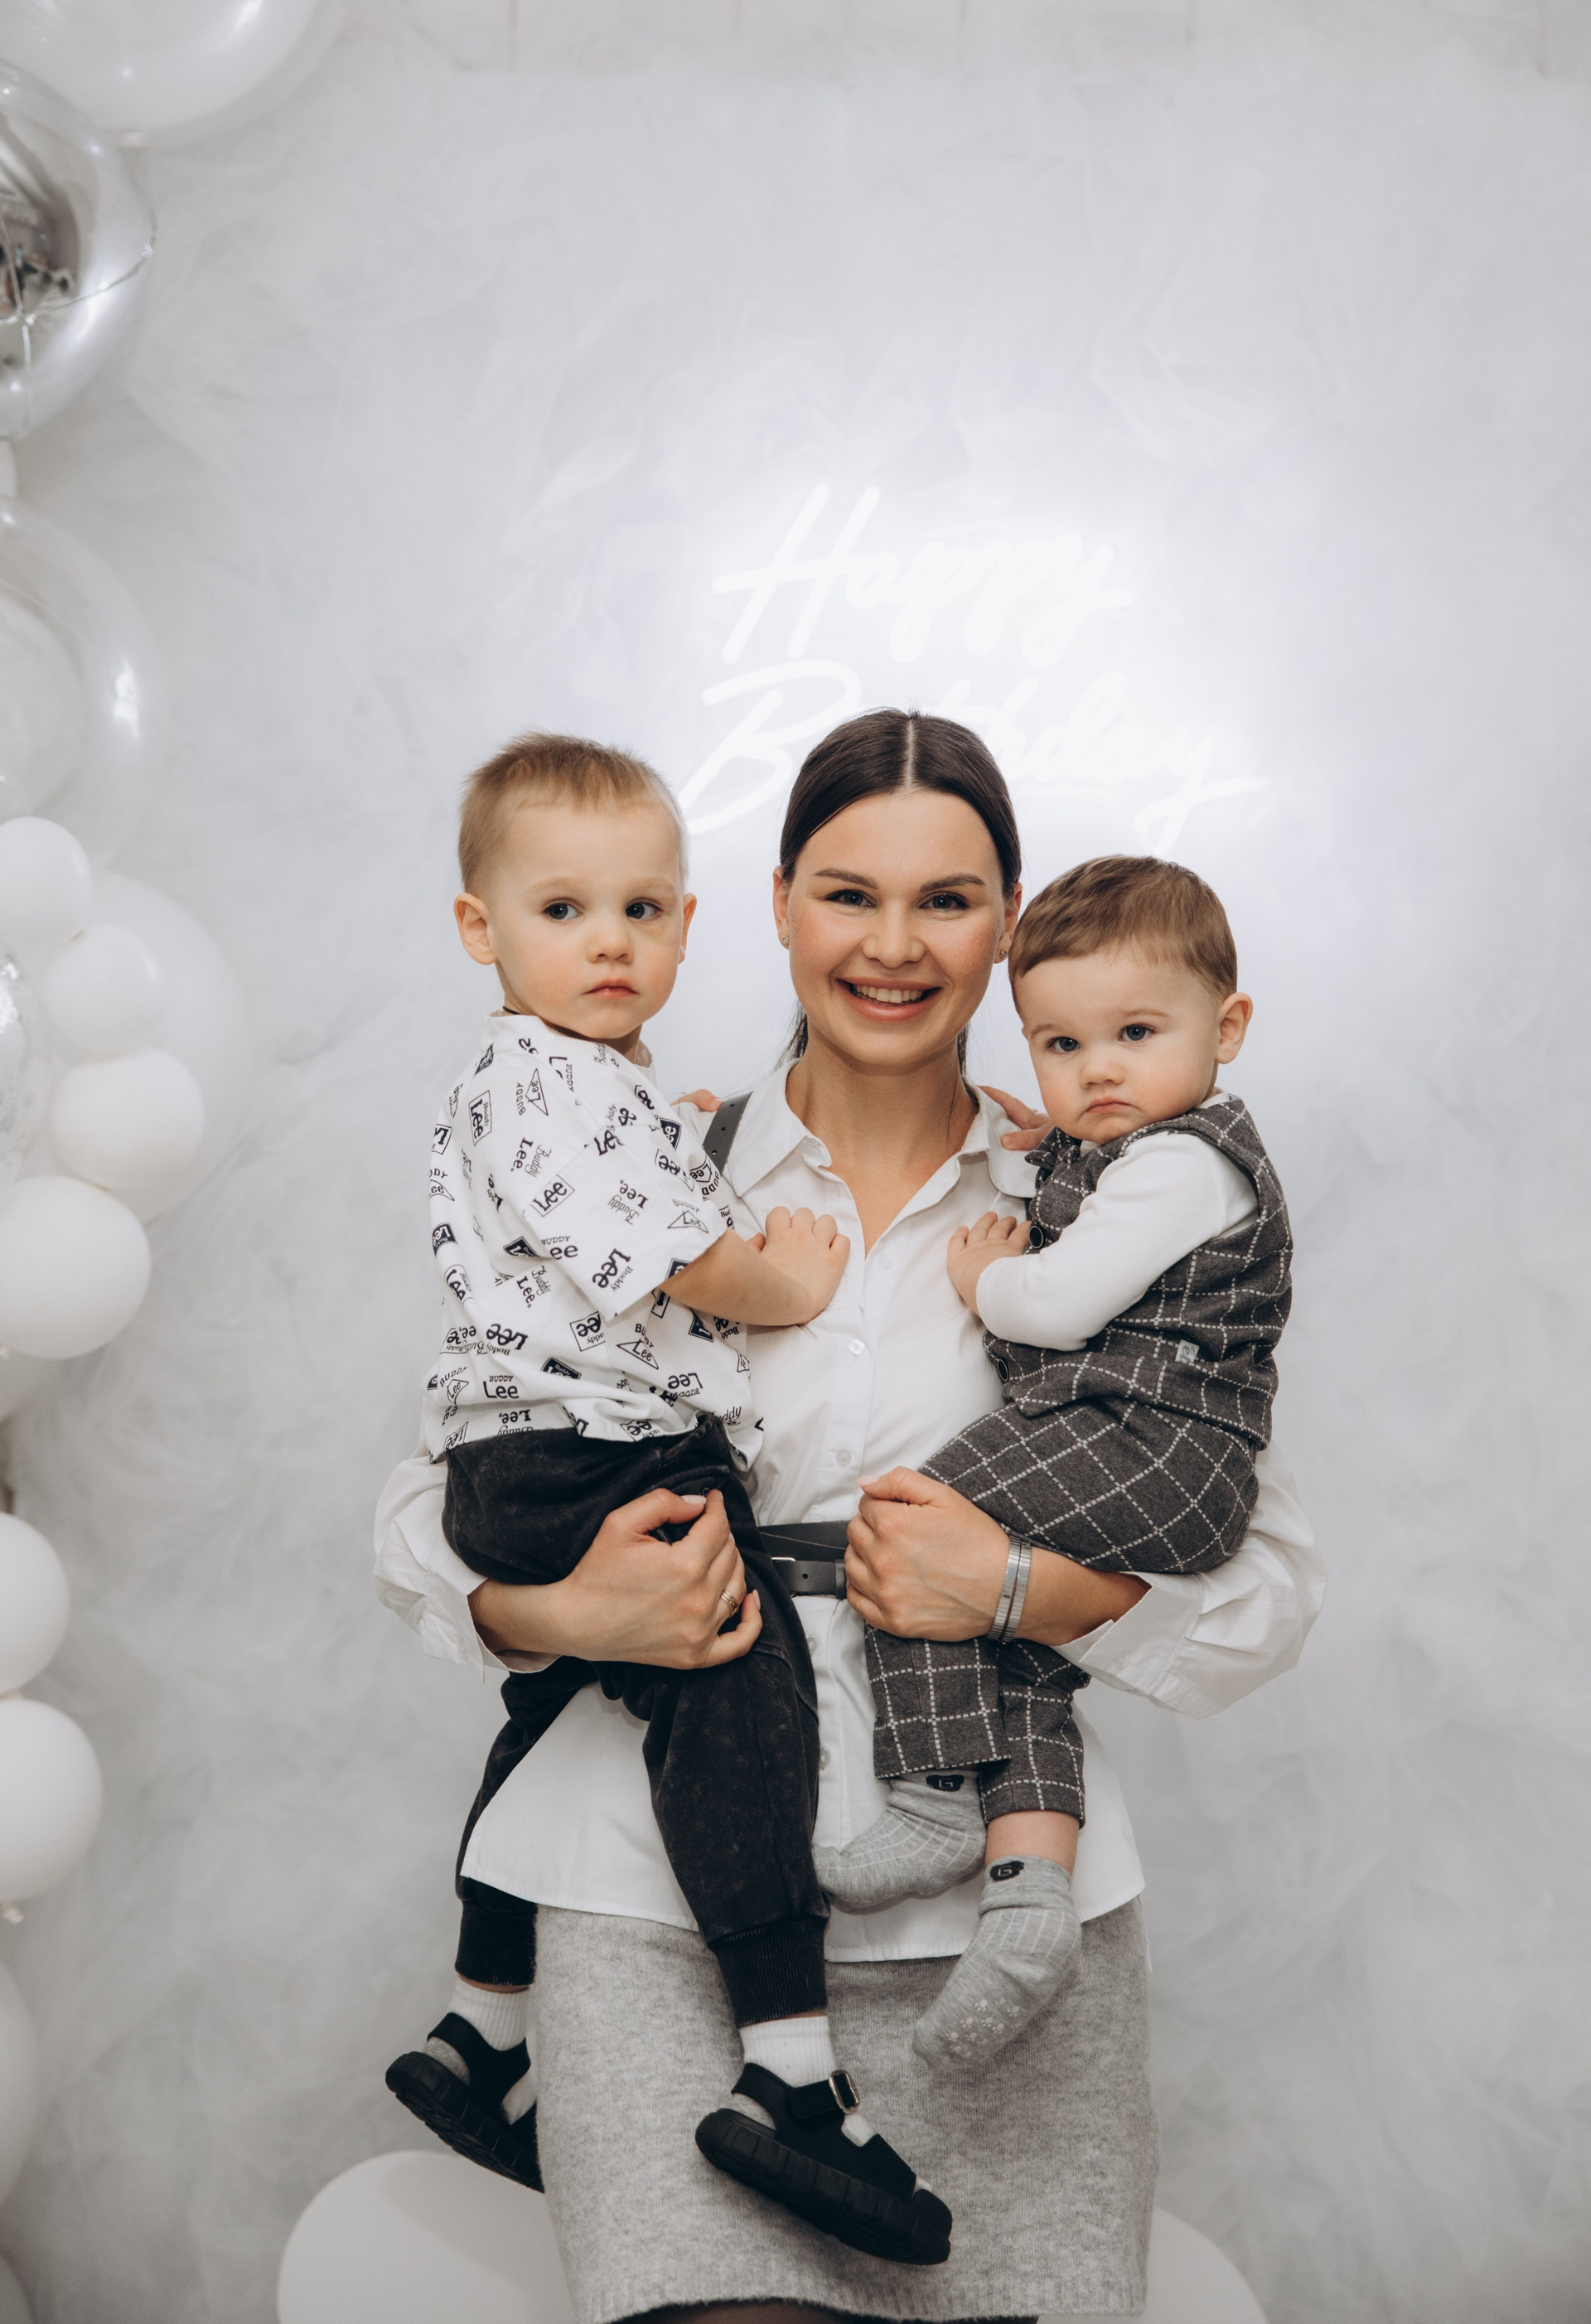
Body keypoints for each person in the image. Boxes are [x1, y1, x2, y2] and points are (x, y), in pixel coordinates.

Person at [375, 707, 1325, 2324]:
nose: (893, 944)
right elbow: (430, 1497)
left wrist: (1020, 1587)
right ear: (772, 906)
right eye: (847, 894)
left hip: (1001, 1929)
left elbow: (1268, 1584)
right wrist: (560, 1615)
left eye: (946, 899)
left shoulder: (1103, 1203)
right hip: (653, 1910)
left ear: (1007, 925)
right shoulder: (650, 1171)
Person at [384, 730, 950, 2266]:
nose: (610, 943)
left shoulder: (602, 1089)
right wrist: (783, 1275)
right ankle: (789, 2070)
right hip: (597, 1460)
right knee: (739, 1679)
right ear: (479, 927)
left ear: (690, 924)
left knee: (557, 1709)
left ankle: (478, 2023)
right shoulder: (556, 1083)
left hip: (540, 1457)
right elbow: (686, 1263)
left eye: (639, 911)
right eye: (563, 910)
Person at [816, 855, 1291, 2073]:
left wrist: (989, 1277)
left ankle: (933, 1792)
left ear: (1228, 1027)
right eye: (1063, 1047)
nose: (1100, 1072)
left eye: (1136, 1034)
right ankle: (1029, 1897)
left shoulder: (1182, 1164)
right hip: (1162, 1453)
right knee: (1009, 1634)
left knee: (913, 1516)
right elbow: (1099, 1180)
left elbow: (1062, 1302)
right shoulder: (1136, 1152)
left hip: (1154, 1442)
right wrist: (1063, 1146)